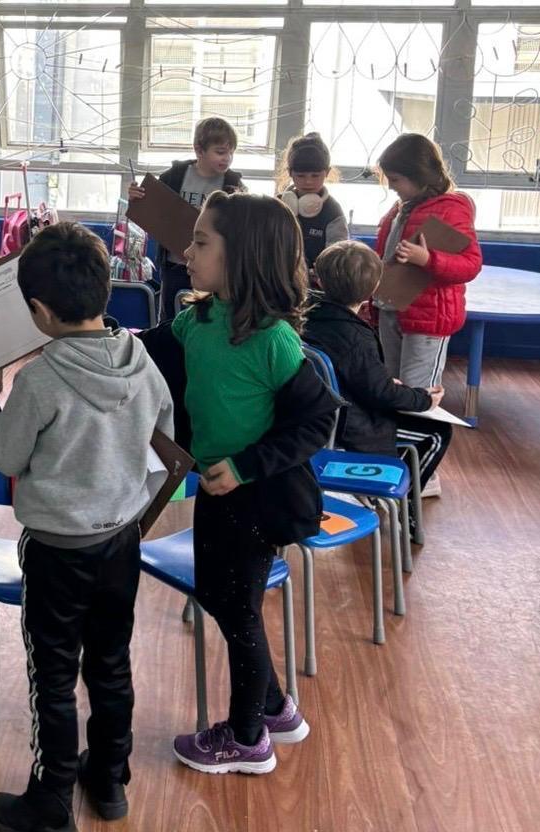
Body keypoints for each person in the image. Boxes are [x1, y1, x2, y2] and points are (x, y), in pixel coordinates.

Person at [0, 222, 174, 831]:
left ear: (39, 311)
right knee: (112, 662)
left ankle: (50, 799)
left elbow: (7, 460)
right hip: (122, 538)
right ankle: (111, 779)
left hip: (57, 549)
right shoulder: (141, 361)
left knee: (54, 675)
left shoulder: (39, 381)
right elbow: (161, 436)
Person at [164, 192, 336, 774]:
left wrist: (245, 467)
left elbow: (317, 420)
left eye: (201, 242)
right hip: (217, 489)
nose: (187, 252)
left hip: (258, 498)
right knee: (218, 594)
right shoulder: (200, 317)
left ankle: (247, 739)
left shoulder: (274, 340)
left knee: (236, 609)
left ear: (243, 257)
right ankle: (274, 708)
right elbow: (157, 352)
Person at [304, 241, 452, 515]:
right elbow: (381, 394)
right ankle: (402, 508)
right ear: (374, 288)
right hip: (353, 426)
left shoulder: (309, 317)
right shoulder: (355, 336)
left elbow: (358, 376)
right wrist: (424, 399)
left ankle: (380, 491)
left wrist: (384, 382)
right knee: (438, 433)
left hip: (321, 417)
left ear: (319, 280)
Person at [373, 133, 482, 390]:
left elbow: (470, 264)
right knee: (393, 387)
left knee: (418, 392)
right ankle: (398, 431)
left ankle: (421, 431)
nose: (390, 186)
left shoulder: (451, 209)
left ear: (419, 176)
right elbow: (386, 255)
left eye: (395, 179)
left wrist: (427, 259)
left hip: (427, 320)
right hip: (391, 311)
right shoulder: (401, 207)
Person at [128, 117, 244, 323]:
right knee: (170, 319)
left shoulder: (233, 184)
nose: (227, 158)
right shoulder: (175, 176)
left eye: (231, 152)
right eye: (220, 152)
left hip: (213, 268)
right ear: (199, 150)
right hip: (175, 265)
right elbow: (151, 211)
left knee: (209, 319)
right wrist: (136, 197)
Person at [276, 133, 349, 275]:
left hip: (316, 283)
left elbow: (337, 252)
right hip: (280, 278)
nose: (308, 181)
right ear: (290, 173)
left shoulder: (332, 211)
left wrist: (325, 268)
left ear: (327, 172)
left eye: (315, 175)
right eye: (301, 175)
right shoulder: (278, 205)